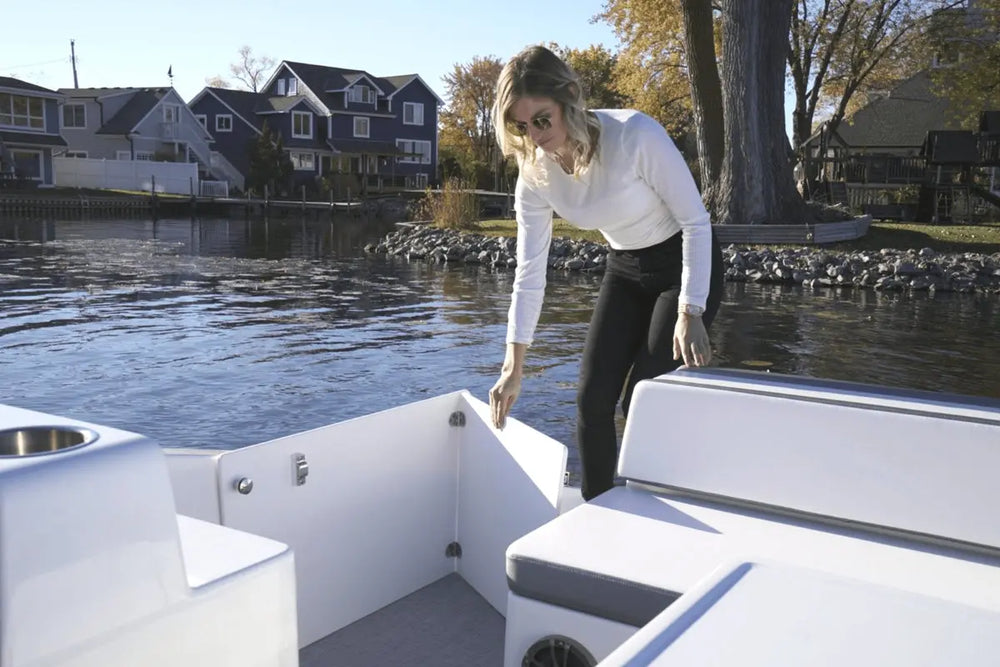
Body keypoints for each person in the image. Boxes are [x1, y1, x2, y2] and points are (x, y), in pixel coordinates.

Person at [488, 45, 725, 501]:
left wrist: (691, 310)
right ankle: (597, 511)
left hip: (685, 264)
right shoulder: (534, 176)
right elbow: (530, 269)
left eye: (542, 119)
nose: (535, 137)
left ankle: (657, 503)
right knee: (591, 401)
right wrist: (513, 366)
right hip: (625, 269)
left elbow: (697, 222)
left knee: (640, 395)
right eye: (521, 126)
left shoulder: (634, 134)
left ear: (570, 97)